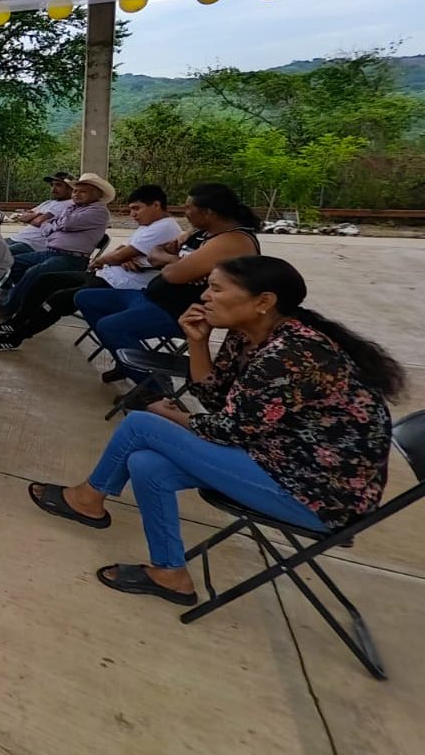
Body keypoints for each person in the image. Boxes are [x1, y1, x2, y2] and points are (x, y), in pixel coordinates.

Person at [26, 256, 403, 606]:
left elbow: (227, 429)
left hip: (316, 496)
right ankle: (171, 574)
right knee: (146, 465)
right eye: (208, 286)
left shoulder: (292, 355)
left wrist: (175, 417)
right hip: (275, 460)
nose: (205, 296)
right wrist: (197, 340)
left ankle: (88, 500)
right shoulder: (249, 334)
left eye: (217, 289)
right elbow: (214, 395)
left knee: (143, 423)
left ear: (263, 301)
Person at [74, 183, 260, 389]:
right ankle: (126, 361)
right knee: (84, 297)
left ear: (208, 212)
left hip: (179, 313)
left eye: (189, 208)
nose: (185, 212)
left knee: (109, 326)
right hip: (150, 297)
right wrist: (175, 260)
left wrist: (171, 262)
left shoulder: (233, 241)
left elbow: (172, 274)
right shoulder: (202, 233)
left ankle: (154, 389)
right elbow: (155, 256)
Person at [0, 185, 182, 349]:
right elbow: (124, 250)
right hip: (109, 274)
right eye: (131, 209)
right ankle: (16, 320)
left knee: (58, 297)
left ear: (156, 205)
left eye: (137, 208)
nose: (133, 214)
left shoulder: (164, 227)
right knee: (45, 279)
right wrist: (119, 258)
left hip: (121, 283)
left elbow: (121, 253)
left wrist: (105, 260)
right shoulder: (149, 226)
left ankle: (16, 336)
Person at [0, 173, 113, 317]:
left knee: (34, 272)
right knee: (11, 263)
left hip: (71, 259)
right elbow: (46, 229)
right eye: (75, 191)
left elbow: (67, 223)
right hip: (50, 252)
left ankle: (7, 310)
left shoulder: (98, 211)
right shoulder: (73, 208)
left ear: (97, 194)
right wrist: (54, 224)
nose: (76, 194)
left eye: (82, 191)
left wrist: (55, 224)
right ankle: (19, 299)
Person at [8, 172, 75, 255]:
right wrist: (38, 215)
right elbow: (22, 217)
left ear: (70, 188)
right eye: (52, 185)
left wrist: (35, 216)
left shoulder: (68, 204)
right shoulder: (48, 202)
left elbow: (37, 222)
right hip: (17, 238)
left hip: (32, 244)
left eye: (58, 185)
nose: (53, 189)